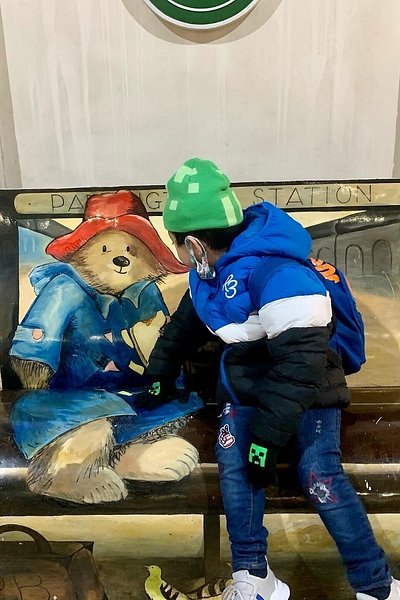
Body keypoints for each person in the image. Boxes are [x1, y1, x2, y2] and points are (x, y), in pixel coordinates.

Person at [137, 158, 400, 600]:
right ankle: (255, 578)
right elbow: (185, 326)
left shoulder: (281, 274)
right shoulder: (210, 276)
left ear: (195, 244)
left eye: (177, 243)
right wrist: (158, 375)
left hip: (310, 391)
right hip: (249, 389)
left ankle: (377, 586)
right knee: (235, 468)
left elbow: (302, 364)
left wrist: (267, 435)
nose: (179, 253)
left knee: (319, 475)